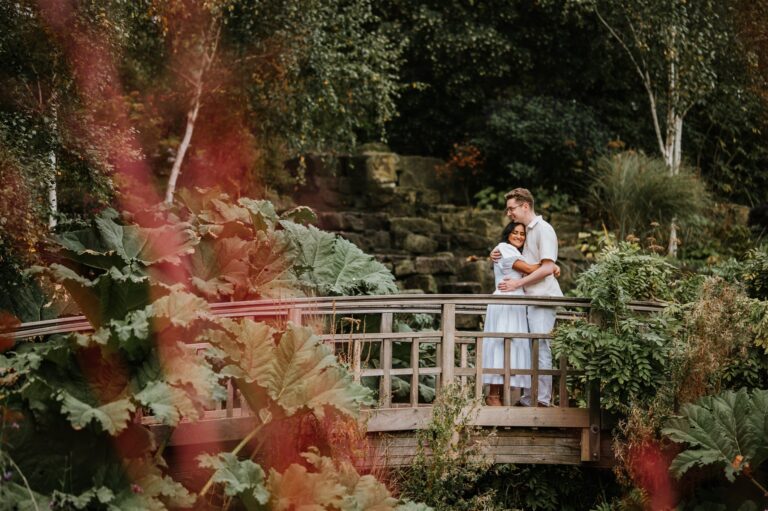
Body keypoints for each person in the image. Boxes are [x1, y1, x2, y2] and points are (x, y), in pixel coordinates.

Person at [493, 188, 562, 407]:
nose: (509, 213)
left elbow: (547, 267)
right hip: (528, 299)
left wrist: (517, 283)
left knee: (541, 346)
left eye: (511, 208)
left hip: (542, 298)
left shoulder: (543, 229)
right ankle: (527, 398)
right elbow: (538, 263)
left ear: (525, 206)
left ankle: (541, 401)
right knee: (528, 347)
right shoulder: (527, 232)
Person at [482, 222, 537, 406]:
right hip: (506, 301)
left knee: (514, 345)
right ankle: (493, 396)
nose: (519, 236)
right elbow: (528, 270)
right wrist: (550, 266)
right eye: (515, 232)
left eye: (522, 234)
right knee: (501, 344)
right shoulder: (504, 248)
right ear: (508, 233)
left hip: (516, 302)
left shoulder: (516, 251)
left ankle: (502, 396)